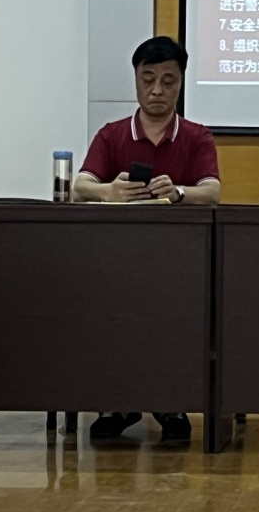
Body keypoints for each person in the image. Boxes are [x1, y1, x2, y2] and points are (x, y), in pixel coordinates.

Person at [75, 35, 221, 442]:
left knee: (174, 323)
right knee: (115, 321)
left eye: (168, 81)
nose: (157, 90)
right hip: (118, 258)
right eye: (148, 79)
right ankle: (119, 405)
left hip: (179, 260)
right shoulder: (112, 134)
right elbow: (80, 186)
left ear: (181, 83)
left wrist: (179, 193)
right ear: (136, 80)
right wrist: (109, 191)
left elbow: (212, 192)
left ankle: (170, 404)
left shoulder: (197, 136)